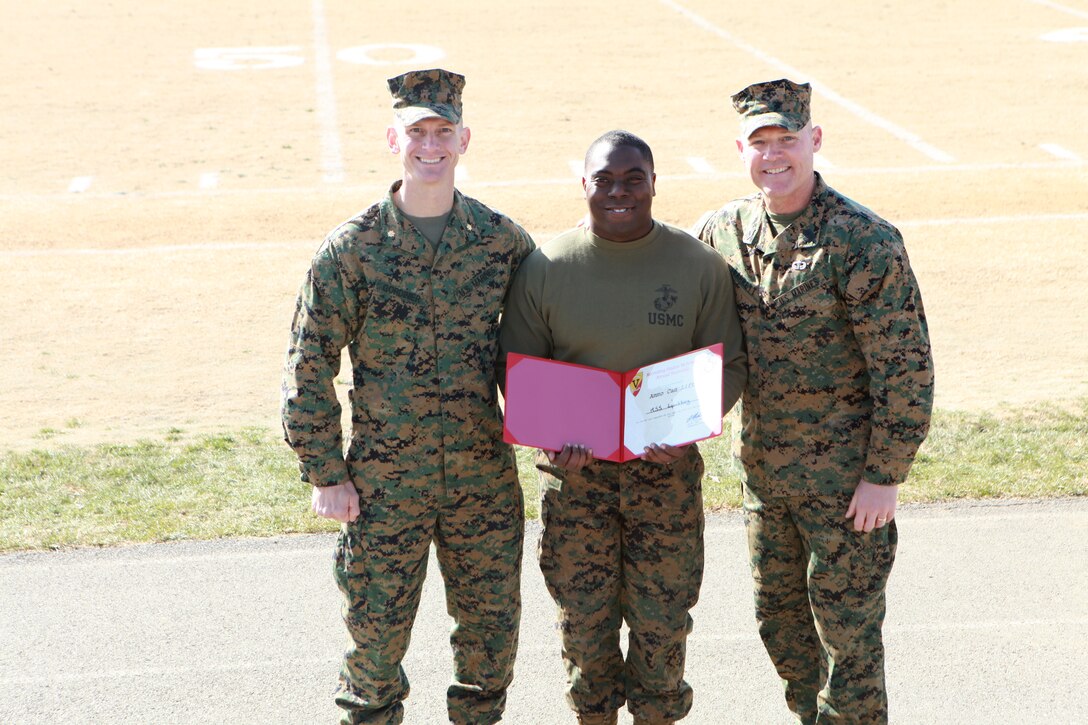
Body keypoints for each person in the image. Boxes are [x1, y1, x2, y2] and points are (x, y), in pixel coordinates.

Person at [281, 68, 535, 725]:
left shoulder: (501, 243)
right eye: (417, 130)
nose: (430, 144)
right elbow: (308, 364)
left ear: (464, 138)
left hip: (482, 479)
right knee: (372, 656)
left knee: (489, 648)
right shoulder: (351, 249)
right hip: (384, 484)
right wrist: (325, 472)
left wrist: (574, 420)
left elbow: (538, 346)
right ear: (394, 136)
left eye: (442, 131)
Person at [694, 79, 935, 723]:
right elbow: (667, 293)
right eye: (759, 141)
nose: (774, 155)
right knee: (779, 622)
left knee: (848, 641)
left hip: (846, 486)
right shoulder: (724, 231)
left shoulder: (864, 241)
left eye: (787, 139)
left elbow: (905, 369)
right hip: (766, 481)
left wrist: (884, 476)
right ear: (740, 148)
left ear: (814, 140)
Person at [499, 130, 747, 725]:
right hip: (576, 484)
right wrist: (556, 437)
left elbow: (729, 365)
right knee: (585, 633)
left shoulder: (697, 266)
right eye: (604, 180)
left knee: (662, 630)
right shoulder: (546, 267)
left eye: (634, 179)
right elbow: (521, 372)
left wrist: (689, 427)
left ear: (655, 183)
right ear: (583, 184)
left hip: (665, 479)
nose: (619, 192)